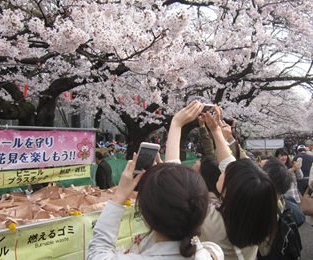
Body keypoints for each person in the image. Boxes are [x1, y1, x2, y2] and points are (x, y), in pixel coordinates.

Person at [165, 101, 278, 260]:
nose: (223, 169)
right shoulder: (255, 214)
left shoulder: (213, 223)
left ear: (228, 191)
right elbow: (232, 166)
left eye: (228, 173)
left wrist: (176, 124)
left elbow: (172, 181)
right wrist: (215, 130)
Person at [87, 154, 224, 259]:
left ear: (146, 215)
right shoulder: (211, 253)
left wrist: (119, 196)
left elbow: (97, 251)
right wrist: (171, 184)